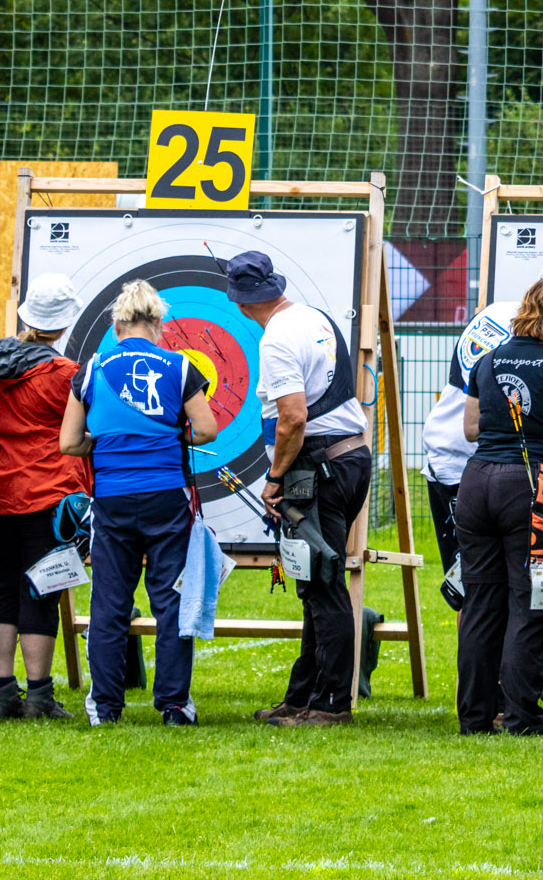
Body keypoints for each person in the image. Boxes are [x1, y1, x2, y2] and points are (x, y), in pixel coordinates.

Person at [60, 280, 218, 725]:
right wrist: (170, 437)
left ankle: (106, 707)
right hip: (166, 497)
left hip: (112, 499)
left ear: (117, 325)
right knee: (171, 601)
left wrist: (106, 443)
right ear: (158, 324)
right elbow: (206, 430)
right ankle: (174, 705)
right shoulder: (180, 366)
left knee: (109, 605)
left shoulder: (92, 368)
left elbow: (69, 443)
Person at [228, 251, 371, 728]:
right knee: (315, 581)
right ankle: (302, 696)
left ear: (240, 302)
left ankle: (331, 705)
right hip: (348, 459)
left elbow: (292, 417)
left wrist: (274, 479)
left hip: (317, 468)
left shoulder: (276, 339)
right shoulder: (316, 317)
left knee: (323, 584)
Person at [454, 277, 543, 735]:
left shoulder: (488, 361)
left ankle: (474, 717)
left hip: (477, 483)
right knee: (532, 602)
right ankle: (522, 718)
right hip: (535, 487)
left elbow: (470, 429)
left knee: (481, 605)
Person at [420, 261, 543, 596]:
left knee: (473, 588)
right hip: (502, 468)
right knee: (518, 590)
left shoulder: (493, 312)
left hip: (449, 456)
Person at [0, 273, 88, 719]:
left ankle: (3, 694)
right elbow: (79, 433)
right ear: (64, 323)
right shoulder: (66, 374)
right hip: (49, 495)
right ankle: (38, 695)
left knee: (2, 587)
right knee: (42, 590)